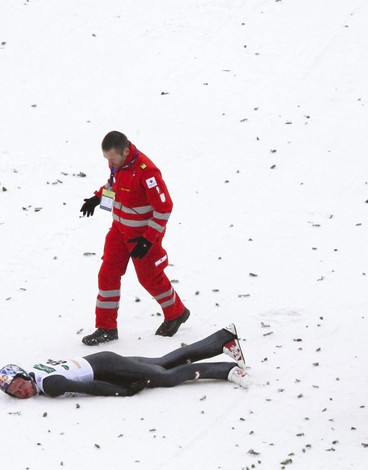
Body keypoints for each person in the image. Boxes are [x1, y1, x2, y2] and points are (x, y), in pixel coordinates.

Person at [80, 131, 190, 345]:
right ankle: (106, 327)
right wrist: (97, 197)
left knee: (149, 277)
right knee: (107, 273)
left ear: (126, 151)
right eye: (107, 159)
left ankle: (176, 312)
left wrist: (148, 239)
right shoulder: (117, 164)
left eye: (113, 158)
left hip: (142, 235)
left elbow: (164, 207)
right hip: (119, 230)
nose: (110, 163)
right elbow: (114, 186)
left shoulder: (147, 172)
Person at [0, 324, 249, 399]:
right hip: (102, 362)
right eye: (15, 393)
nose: (21, 391)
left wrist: (123, 392)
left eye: (19, 385)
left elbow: (89, 387)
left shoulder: (49, 385)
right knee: (162, 363)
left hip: (105, 367)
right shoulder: (35, 371)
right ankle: (223, 339)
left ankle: (227, 370)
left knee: (164, 377)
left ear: (23, 375)